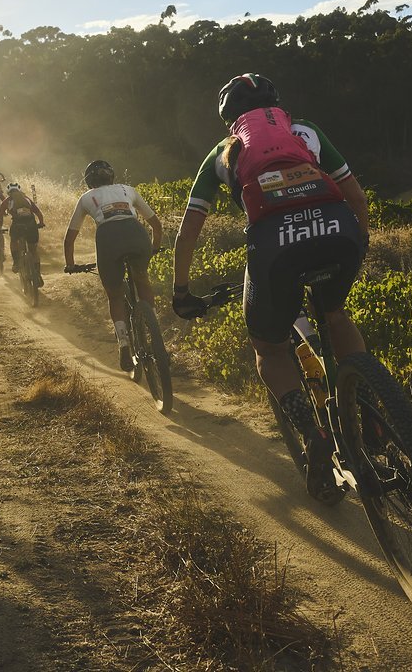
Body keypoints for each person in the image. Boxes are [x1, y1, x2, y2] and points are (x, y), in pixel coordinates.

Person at [170, 73, 370, 502]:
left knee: (268, 348)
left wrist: (181, 291)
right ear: (277, 105)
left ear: (228, 117)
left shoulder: (223, 152)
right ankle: (368, 407)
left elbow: (188, 231)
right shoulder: (308, 132)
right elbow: (358, 197)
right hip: (337, 230)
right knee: (334, 315)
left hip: (276, 246)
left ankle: (309, 430)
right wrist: (358, 246)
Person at [64, 160, 163, 371]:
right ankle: (155, 333)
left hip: (109, 239)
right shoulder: (128, 190)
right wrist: (154, 248)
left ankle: (124, 344)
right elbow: (156, 224)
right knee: (142, 277)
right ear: (112, 176)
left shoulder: (85, 198)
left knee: (115, 295)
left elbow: (70, 238)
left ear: (89, 181)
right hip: (136, 234)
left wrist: (70, 264)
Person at [0, 182, 46, 285]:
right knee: (33, 250)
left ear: (9, 192)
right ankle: (37, 274)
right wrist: (41, 223)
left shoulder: (7, 201)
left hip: (17, 226)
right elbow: (38, 212)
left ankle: (16, 263)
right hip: (31, 225)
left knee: (13, 241)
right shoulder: (27, 199)